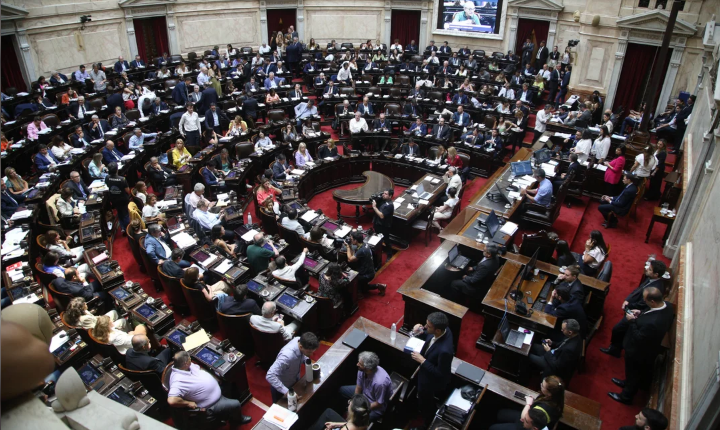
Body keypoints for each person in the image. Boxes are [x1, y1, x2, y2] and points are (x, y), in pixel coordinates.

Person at [606, 287, 673, 404]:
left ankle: (626, 397)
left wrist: (631, 321)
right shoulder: (667, 305)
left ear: (652, 301)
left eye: (645, 300)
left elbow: (639, 337)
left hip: (638, 352)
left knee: (634, 374)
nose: (644, 301)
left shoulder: (654, 323)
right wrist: (641, 312)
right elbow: (650, 313)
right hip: (644, 348)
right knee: (631, 373)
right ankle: (626, 382)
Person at [602, 260, 667, 358]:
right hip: (632, 306)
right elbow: (639, 289)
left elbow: (643, 303)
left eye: (649, 269)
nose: (646, 269)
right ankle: (616, 348)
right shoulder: (650, 278)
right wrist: (627, 299)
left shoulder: (656, 288)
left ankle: (615, 349)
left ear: (656, 274)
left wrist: (629, 305)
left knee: (617, 329)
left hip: (635, 313)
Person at [168, 351, 252, 425]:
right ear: (185, 363)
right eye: (189, 358)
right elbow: (171, 400)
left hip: (216, 389)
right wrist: (188, 403)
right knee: (236, 404)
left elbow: (199, 369)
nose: (190, 359)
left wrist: (213, 377)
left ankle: (228, 411)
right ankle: (237, 420)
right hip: (210, 406)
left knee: (229, 380)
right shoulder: (178, 381)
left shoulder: (185, 366)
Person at [410, 312, 454, 427]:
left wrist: (422, 360)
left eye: (428, 326)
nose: (425, 326)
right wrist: (417, 330)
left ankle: (427, 422)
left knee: (426, 404)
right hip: (424, 371)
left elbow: (440, 373)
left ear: (438, 331)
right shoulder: (444, 329)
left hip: (430, 381)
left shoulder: (445, 351)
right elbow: (427, 335)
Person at [490, 375, 565, 430]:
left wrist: (528, 403)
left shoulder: (542, 411)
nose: (540, 385)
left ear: (549, 393)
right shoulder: (556, 398)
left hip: (525, 425)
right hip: (528, 419)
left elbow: (523, 418)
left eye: (542, 386)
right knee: (500, 413)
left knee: (492, 428)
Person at [338, 351, 392, 423]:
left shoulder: (380, 383)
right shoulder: (361, 370)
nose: (357, 364)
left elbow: (379, 403)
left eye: (360, 364)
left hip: (375, 406)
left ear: (368, 368)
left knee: (357, 420)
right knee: (342, 390)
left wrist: (360, 408)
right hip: (365, 394)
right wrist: (354, 401)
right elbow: (358, 387)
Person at [266, 333, 320, 402]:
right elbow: (270, 375)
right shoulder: (286, 357)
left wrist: (309, 362)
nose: (311, 355)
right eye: (309, 352)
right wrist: (287, 392)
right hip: (282, 389)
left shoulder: (299, 340)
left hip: (294, 382)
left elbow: (303, 355)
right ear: (300, 347)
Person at [347, 231, 386, 296]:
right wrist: (350, 247)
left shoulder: (361, 250)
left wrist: (348, 247)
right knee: (363, 286)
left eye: (351, 239)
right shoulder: (364, 244)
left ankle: (360, 292)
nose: (350, 240)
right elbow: (355, 255)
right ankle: (380, 286)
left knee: (352, 280)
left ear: (356, 240)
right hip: (369, 270)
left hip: (366, 274)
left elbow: (350, 259)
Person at [105, 162, 131, 232]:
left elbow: (107, 186)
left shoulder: (107, 177)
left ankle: (122, 228)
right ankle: (128, 229)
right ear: (117, 170)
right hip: (123, 199)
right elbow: (127, 190)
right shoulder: (122, 179)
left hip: (113, 199)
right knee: (125, 214)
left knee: (119, 213)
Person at [371, 188, 394, 260]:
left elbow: (381, 215)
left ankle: (389, 254)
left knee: (386, 240)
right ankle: (378, 250)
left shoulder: (390, 205)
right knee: (377, 237)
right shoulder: (383, 200)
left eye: (386, 194)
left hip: (384, 226)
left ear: (390, 196)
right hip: (377, 223)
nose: (383, 195)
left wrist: (374, 207)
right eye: (383, 193)